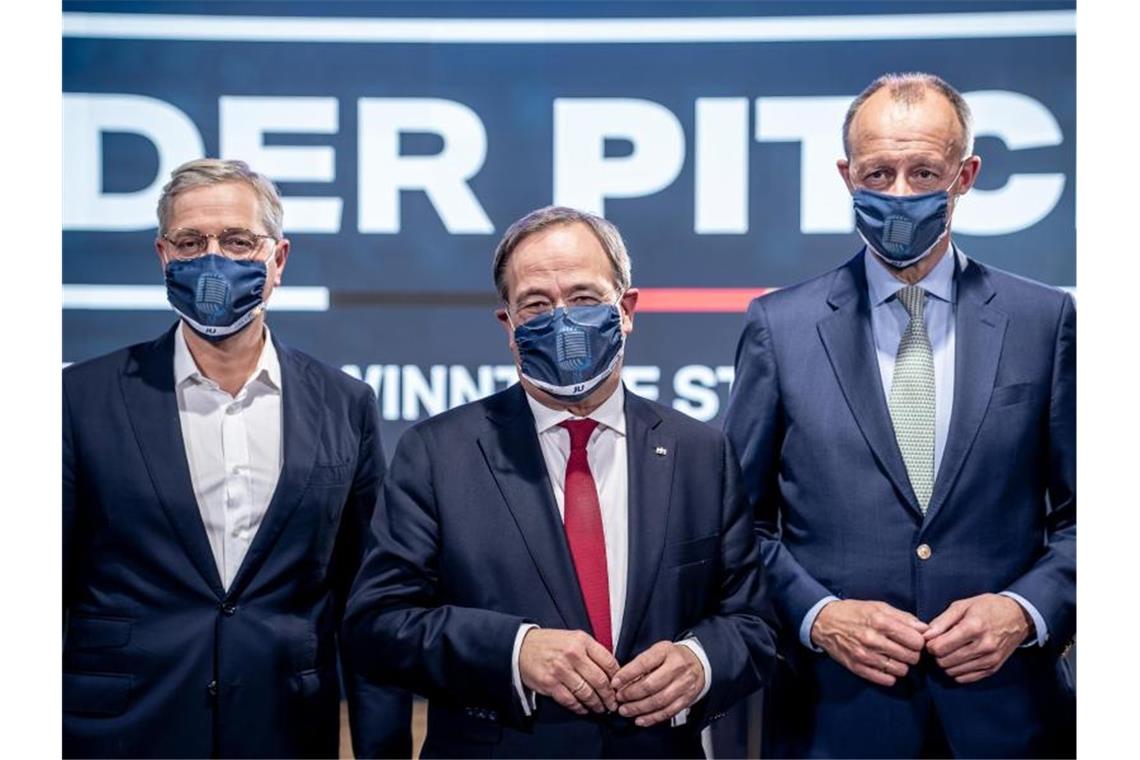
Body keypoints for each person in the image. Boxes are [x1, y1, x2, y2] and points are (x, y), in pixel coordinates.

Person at [724, 72, 1076, 758]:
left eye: (924, 172)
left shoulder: (1045, 320)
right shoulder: (780, 326)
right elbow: (738, 523)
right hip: (835, 716)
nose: (900, 194)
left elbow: (1093, 517)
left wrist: (1026, 610)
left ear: (967, 175)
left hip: (1010, 718)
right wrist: (819, 616)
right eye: (878, 173)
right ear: (845, 174)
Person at [344, 205, 776, 757]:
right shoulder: (436, 453)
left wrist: (701, 662)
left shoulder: (701, 453)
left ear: (627, 309)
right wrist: (514, 651)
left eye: (584, 297)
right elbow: (378, 624)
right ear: (509, 326)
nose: (562, 319)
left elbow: (753, 623)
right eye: (536, 304)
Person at [62, 158, 411, 758]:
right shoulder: (79, 399)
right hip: (118, 733)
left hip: (285, 732)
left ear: (277, 261)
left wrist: (383, 751)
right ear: (163, 257)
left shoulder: (345, 404)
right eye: (191, 242)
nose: (213, 259)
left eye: (238, 241)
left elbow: (367, 603)